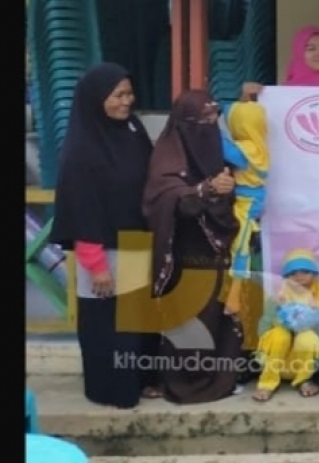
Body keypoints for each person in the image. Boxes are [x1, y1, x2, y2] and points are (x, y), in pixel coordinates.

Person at [50, 63, 162, 408]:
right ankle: (111, 389)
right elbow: (80, 208)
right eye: (118, 95)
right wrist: (95, 265)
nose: (127, 101)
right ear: (96, 99)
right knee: (107, 322)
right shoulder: (81, 150)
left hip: (136, 241)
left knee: (138, 319)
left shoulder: (132, 130)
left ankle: (142, 380)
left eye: (129, 93)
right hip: (102, 251)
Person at [143, 90, 243, 404]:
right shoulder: (167, 157)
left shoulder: (217, 152)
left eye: (214, 119)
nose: (209, 128)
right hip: (183, 250)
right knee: (189, 316)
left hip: (215, 248)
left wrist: (223, 189)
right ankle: (185, 384)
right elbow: (168, 198)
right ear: (185, 124)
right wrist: (205, 190)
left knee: (215, 314)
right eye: (202, 121)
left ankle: (218, 378)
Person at [220, 101, 268, 351]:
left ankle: (234, 298)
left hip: (245, 204)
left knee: (240, 249)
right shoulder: (259, 145)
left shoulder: (246, 149)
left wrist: (212, 128)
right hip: (253, 201)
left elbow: (224, 149)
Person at [253, 249, 319, 401]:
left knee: (308, 338)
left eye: (305, 271)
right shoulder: (279, 293)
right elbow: (263, 328)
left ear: (314, 273)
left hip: (301, 355)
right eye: (293, 273)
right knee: (279, 335)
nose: (299, 277)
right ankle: (267, 383)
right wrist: (275, 307)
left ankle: (304, 379)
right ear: (286, 276)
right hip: (280, 356)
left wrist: (316, 312)